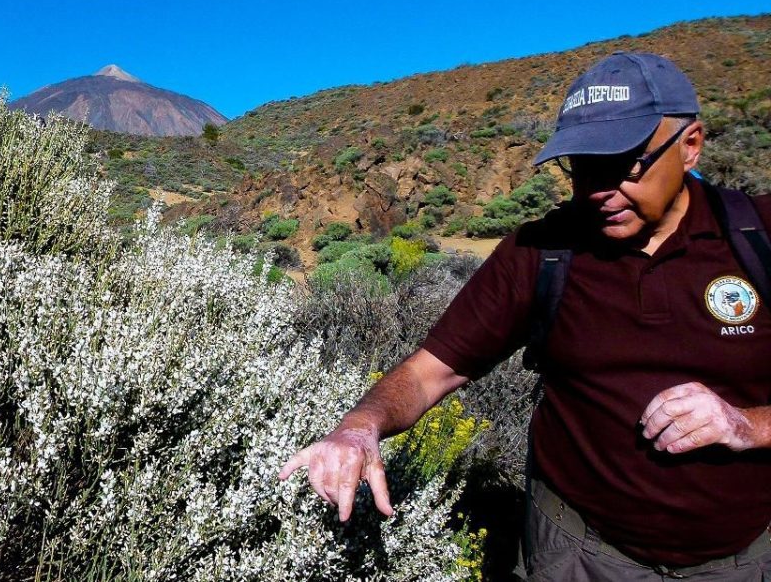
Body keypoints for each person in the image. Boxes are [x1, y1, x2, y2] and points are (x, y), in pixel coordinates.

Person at [279, 52, 771, 580]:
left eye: (626, 164)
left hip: (746, 558)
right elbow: (430, 372)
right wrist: (359, 427)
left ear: (690, 145)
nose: (599, 190)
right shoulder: (542, 251)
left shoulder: (758, 236)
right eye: (583, 167)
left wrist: (749, 425)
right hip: (579, 555)